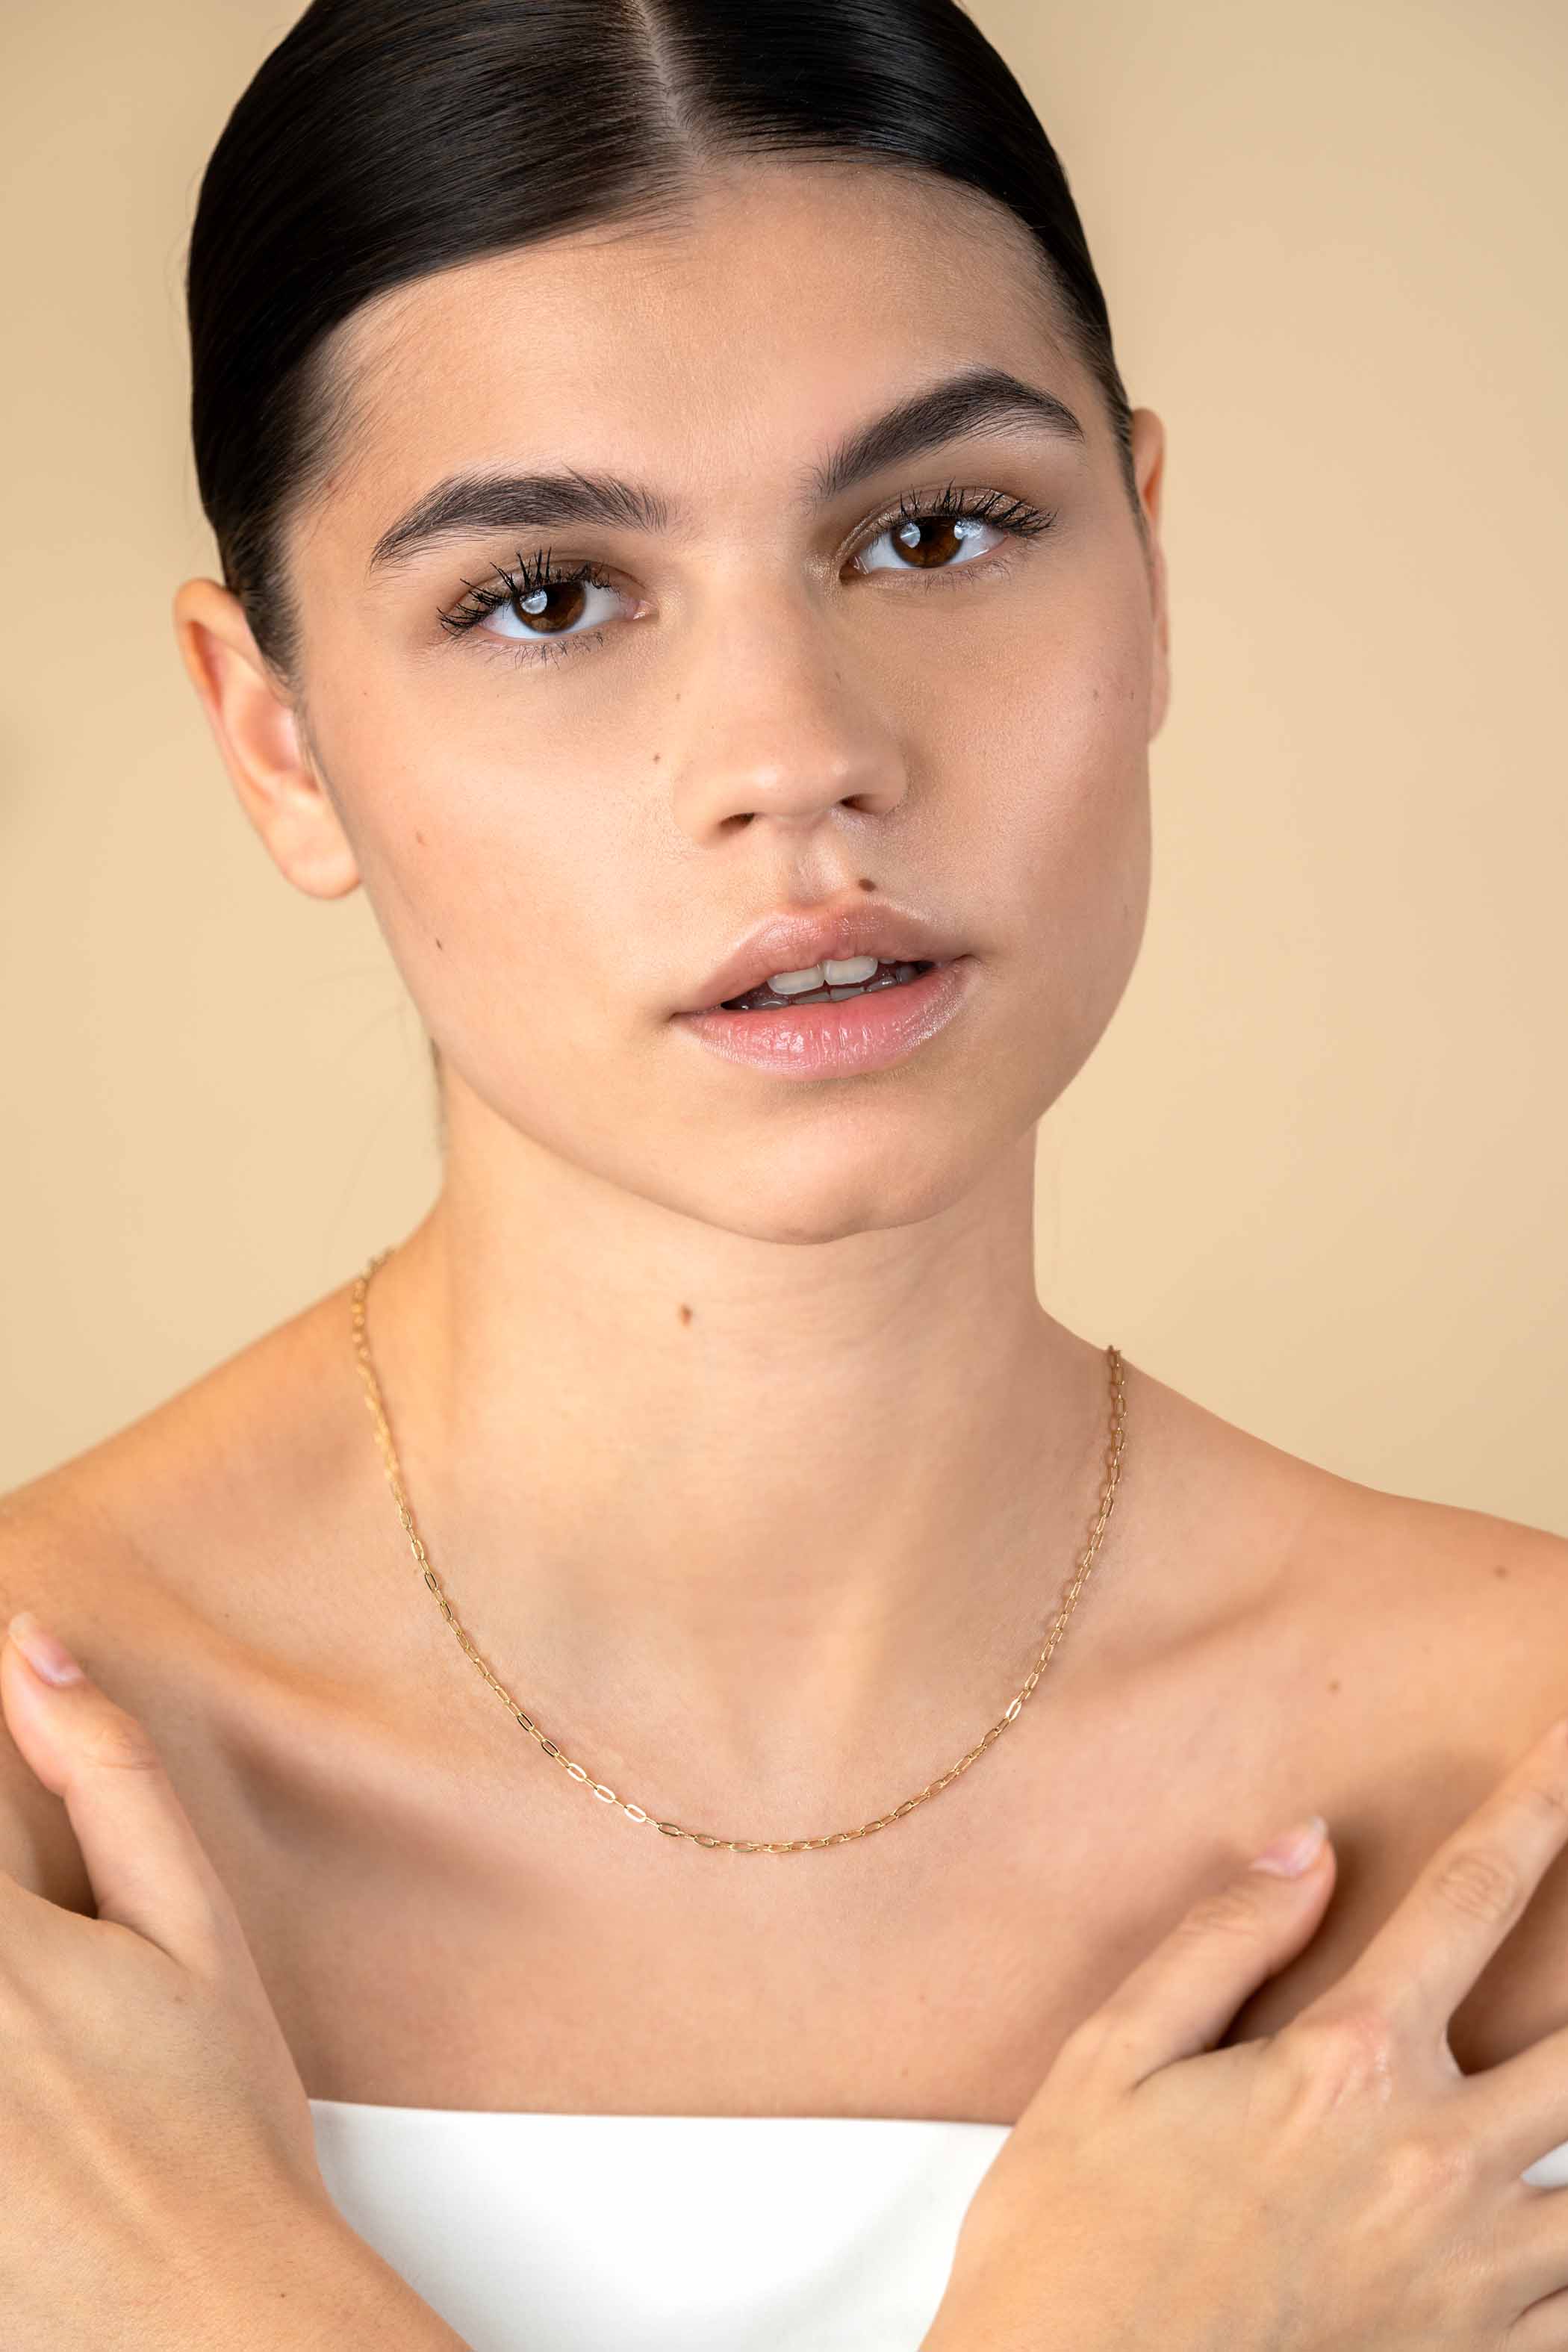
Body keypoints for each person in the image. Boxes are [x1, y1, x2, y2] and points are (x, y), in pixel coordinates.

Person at [2, 0, 1565, 2344]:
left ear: (1145, 569)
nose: (797, 753)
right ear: (280, 738)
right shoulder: (38, 1841)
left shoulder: (1516, 1794)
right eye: (546, 594)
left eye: (935, 532)